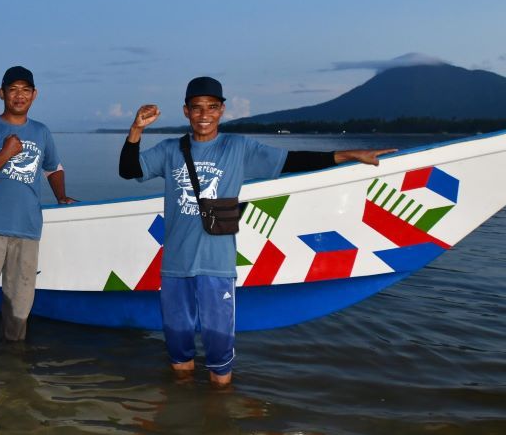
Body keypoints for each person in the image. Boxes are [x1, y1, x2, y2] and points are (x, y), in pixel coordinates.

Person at [119, 76, 394, 386]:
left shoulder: (238, 147)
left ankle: (219, 412)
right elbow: (129, 171)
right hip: (175, 267)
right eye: (197, 108)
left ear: (222, 110)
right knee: (178, 351)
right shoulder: (171, 150)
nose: (204, 115)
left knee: (219, 357)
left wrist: (349, 155)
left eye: (212, 107)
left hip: (217, 266)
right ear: (186, 112)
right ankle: (185, 418)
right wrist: (136, 130)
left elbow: (292, 160)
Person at [0, 65, 76, 352]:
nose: (19, 95)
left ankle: (12, 371)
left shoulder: (42, 132)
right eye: (13, 90)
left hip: (27, 231)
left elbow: (53, 168)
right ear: (2, 93)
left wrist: (61, 196)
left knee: (19, 309)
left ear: (34, 95)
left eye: (25, 90)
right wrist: (5, 153)